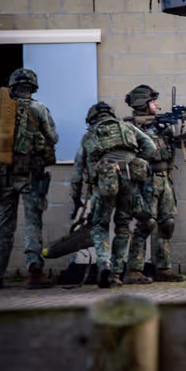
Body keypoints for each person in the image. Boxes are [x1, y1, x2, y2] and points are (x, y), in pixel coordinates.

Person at [0, 68, 59, 289]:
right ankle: (34, 272)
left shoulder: (1, 111)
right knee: (32, 224)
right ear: (33, 87)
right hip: (31, 175)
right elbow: (53, 137)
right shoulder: (39, 108)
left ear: (13, 87)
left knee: (3, 227)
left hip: (3, 175)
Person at [70, 102, 157, 288]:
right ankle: (116, 274)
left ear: (92, 119)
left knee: (100, 225)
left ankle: (104, 263)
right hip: (129, 181)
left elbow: (77, 172)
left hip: (104, 184)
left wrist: (76, 198)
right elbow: (150, 147)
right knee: (123, 226)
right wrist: (137, 161)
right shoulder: (127, 127)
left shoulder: (89, 135)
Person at [123, 84, 186, 283]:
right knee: (146, 223)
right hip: (146, 179)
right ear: (142, 103)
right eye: (152, 101)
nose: (156, 105)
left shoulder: (161, 126)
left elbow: (179, 143)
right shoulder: (131, 127)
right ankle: (133, 270)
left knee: (167, 223)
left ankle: (164, 268)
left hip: (165, 178)